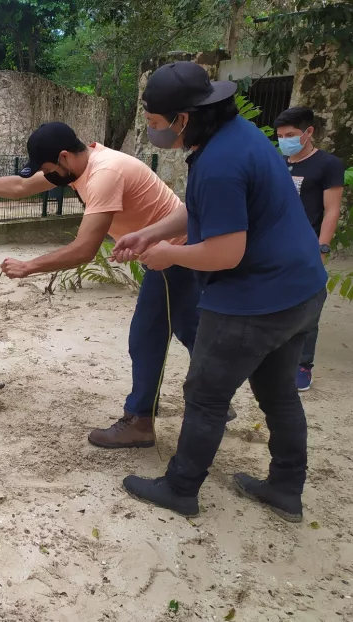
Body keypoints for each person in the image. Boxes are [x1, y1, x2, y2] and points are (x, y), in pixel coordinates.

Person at [117, 61, 327, 523]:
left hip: (256, 299)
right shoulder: (239, 134)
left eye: (155, 124)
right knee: (278, 393)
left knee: (206, 395)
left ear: (184, 118)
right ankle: (286, 488)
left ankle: (180, 488)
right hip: (302, 289)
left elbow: (225, 252)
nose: (154, 132)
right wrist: (151, 233)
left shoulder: (218, 162)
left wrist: (170, 255)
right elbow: (203, 210)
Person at [0, 121, 236, 450]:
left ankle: (144, 420)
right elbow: (20, 187)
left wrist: (29, 267)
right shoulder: (81, 165)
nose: (48, 176)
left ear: (64, 157)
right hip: (168, 252)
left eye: (49, 169)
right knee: (188, 330)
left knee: (149, 337)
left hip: (175, 255)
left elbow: (84, 250)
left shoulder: (104, 174)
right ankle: (212, 401)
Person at [274, 106, 345, 391]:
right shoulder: (278, 162)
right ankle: (274, 359)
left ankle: (303, 365)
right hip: (274, 245)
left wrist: (322, 249)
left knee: (308, 308)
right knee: (273, 304)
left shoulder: (328, 165)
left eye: (290, 135)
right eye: (280, 135)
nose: (284, 140)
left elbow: (331, 210)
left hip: (307, 247)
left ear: (309, 132)